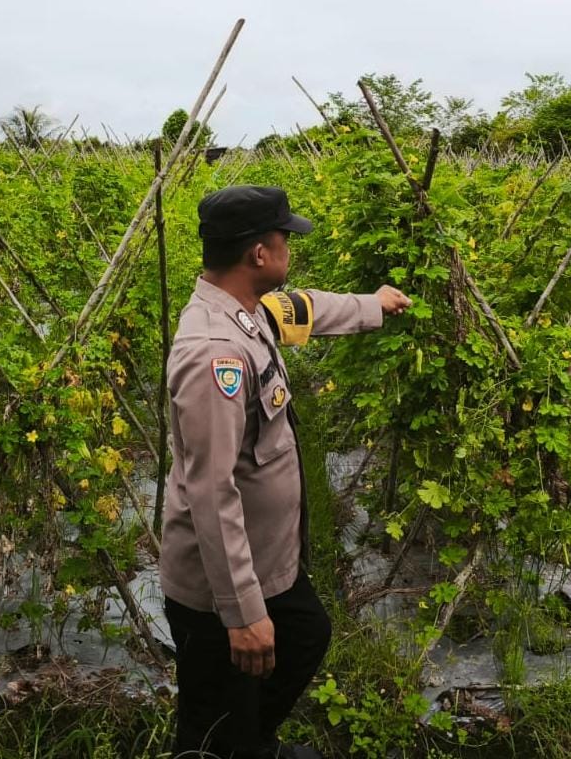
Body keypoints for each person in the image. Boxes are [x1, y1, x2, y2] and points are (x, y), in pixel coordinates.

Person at [159, 185, 410, 759]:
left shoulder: (247, 311)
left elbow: (308, 308)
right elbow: (210, 492)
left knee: (304, 635)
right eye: (285, 238)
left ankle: (250, 740)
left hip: (269, 560)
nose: (289, 247)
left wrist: (374, 304)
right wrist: (243, 614)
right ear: (259, 254)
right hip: (218, 590)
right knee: (214, 717)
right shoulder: (213, 354)